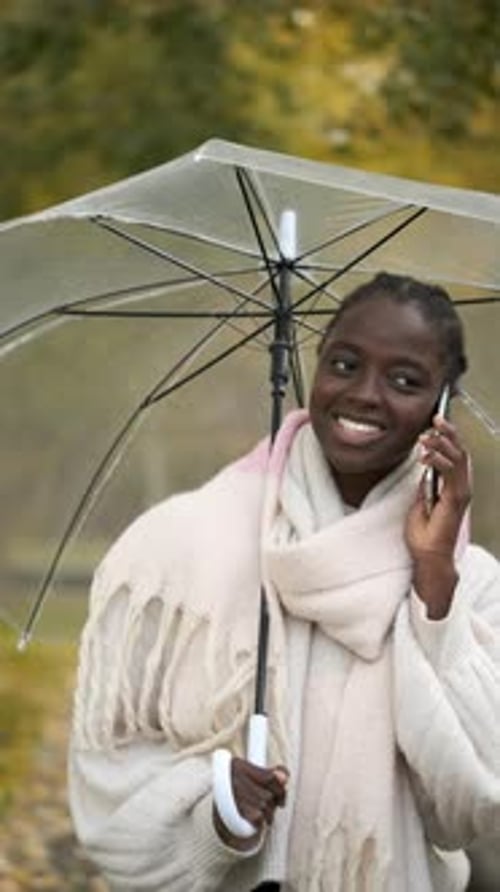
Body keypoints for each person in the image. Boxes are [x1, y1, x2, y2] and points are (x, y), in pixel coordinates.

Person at [68, 272, 500, 892]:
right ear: (315, 369)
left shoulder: (468, 586)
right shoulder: (178, 547)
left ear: (442, 407)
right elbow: (103, 767)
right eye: (345, 364)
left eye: (405, 381)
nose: (366, 394)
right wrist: (211, 806)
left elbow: (471, 803)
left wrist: (434, 579)